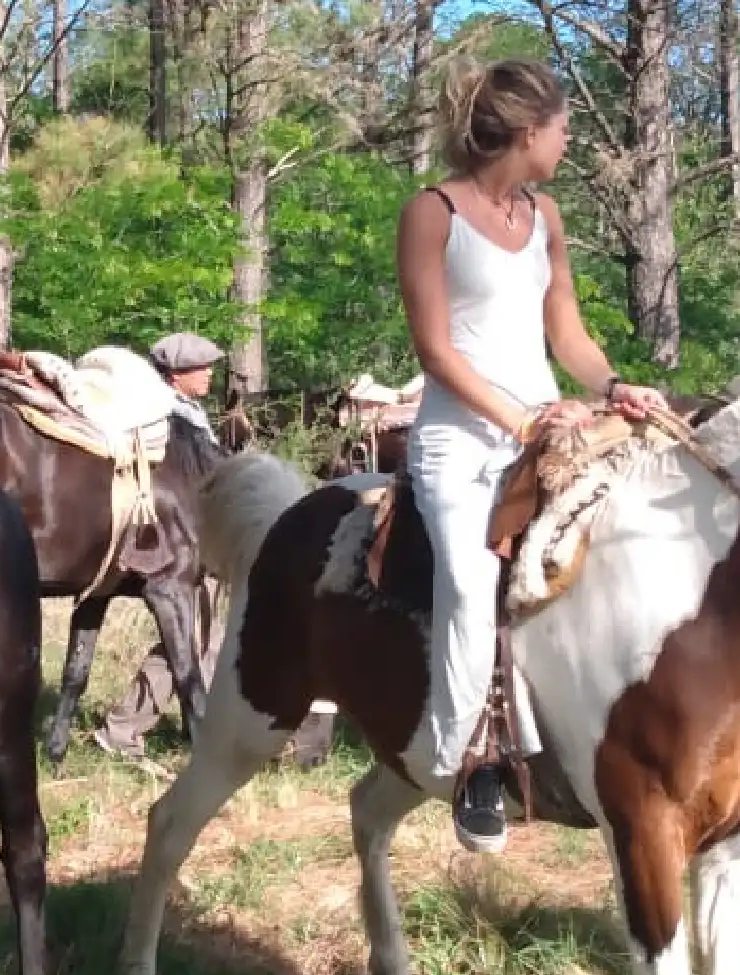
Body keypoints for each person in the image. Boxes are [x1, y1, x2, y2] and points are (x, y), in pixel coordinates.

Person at [397, 57, 666, 855]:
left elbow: (567, 335)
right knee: (472, 578)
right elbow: (436, 352)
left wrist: (615, 386)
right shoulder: (431, 212)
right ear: (525, 131)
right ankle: (470, 761)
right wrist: (522, 421)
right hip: (462, 437)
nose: (570, 140)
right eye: (562, 128)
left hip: (549, 423)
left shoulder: (546, 216)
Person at [92, 332, 336, 766]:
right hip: (186, 538)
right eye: (200, 368)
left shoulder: (187, 413)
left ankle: (129, 728)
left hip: (201, 536)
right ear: (177, 374)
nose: (208, 374)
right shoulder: (166, 416)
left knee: (191, 638)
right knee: (192, 636)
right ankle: (142, 729)